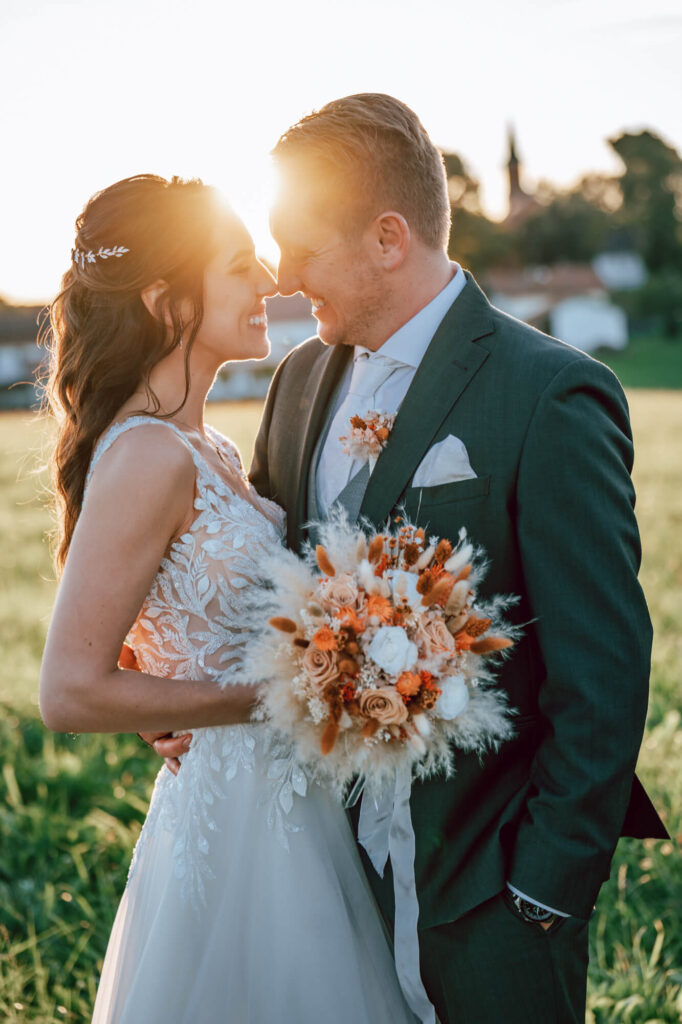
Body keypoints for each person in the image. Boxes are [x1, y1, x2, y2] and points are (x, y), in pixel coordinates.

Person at [152, 94, 667, 1023]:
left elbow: (603, 668)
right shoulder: (300, 379)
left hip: (486, 884)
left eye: (302, 247)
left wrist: (545, 888)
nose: (280, 274)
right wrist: (170, 687)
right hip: (317, 872)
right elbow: (268, 583)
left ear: (389, 238)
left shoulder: (547, 392)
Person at [39, 173, 415, 1024]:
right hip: (234, 822)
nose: (270, 282)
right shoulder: (148, 456)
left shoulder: (204, 446)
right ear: (167, 299)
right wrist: (277, 697)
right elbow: (67, 690)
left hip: (292, 801)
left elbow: (162, 623)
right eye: (240, 265)